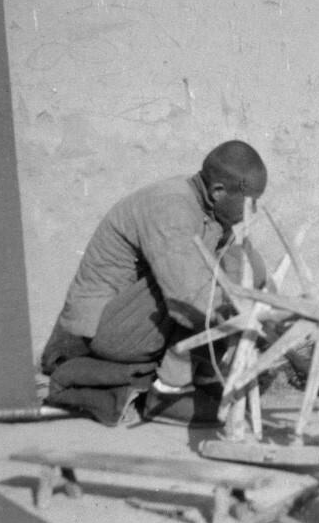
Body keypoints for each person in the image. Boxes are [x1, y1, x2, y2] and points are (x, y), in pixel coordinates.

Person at [38, 140, 271, 425]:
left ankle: (201, 375)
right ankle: (169, 391)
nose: (253, 211)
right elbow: (190, 299)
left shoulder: (205, 208)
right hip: (105, 331)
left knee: (246, 262)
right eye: (250, 202)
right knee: (209, 281)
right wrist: (264, 325)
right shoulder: (171, 208)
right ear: (218, 192)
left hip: (134, 324)